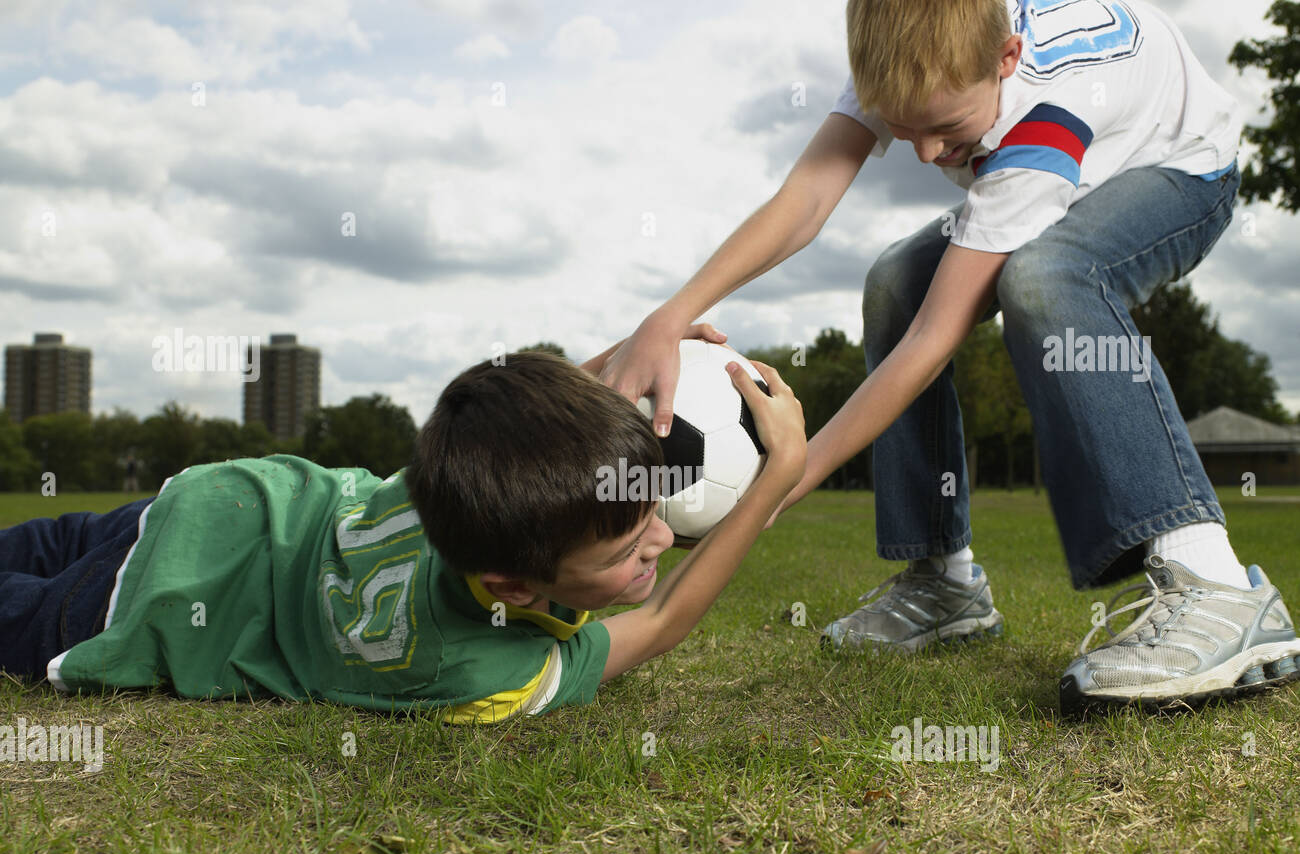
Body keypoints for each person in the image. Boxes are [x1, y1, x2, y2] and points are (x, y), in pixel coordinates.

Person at [588, 0, 1300, 710]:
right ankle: (944, 582)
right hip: (1079, 161)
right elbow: (806, 199)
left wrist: (787, 476)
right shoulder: (909, 51)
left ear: (1006, 59)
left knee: (1047, 279)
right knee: (896, 282)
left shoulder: (1046, 105)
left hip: (1180, 167)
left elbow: (932, 343)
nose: (925, 154)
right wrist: (673, 313)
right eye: (904, 129)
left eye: (945, 128)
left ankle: (1218, 584)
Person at [0, 351, 805, 722]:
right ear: (513, 589)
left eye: (653, 512)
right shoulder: (488, 669)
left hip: (222, 502)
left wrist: (657, 361)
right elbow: (663, 623)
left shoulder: (463, 478)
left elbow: (535, 412)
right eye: (631, 551)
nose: (662, 541)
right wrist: (778, 473)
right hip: (150, 603)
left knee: (33, 541)